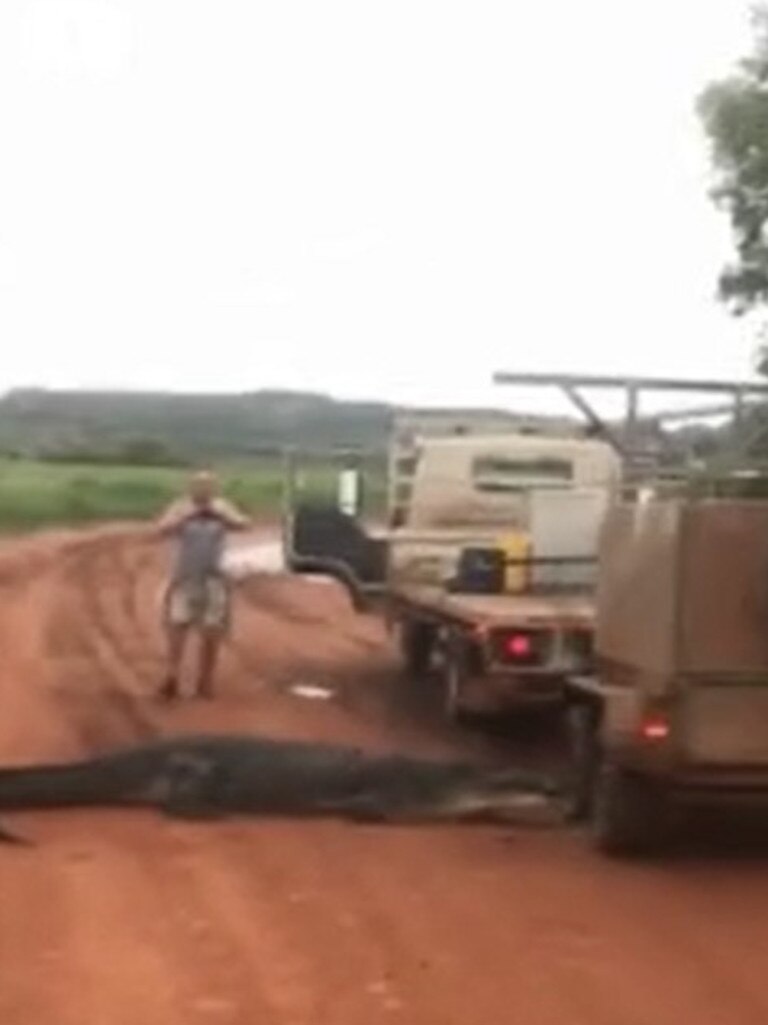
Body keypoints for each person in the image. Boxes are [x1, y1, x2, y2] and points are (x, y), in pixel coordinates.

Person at [154, 470, 252, 700]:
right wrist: (187, 517)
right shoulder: (181, 507)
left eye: (208, 486)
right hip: (185, 577)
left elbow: (244, 524)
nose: (203, 490)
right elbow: (160, 530)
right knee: (177, 628)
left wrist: (220, 516)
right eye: (199, 485)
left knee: (211, 632)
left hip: (213, 578)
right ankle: (172, 676)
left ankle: (205, 681)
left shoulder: (221, 507)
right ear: (190, 488)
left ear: (215, 489)